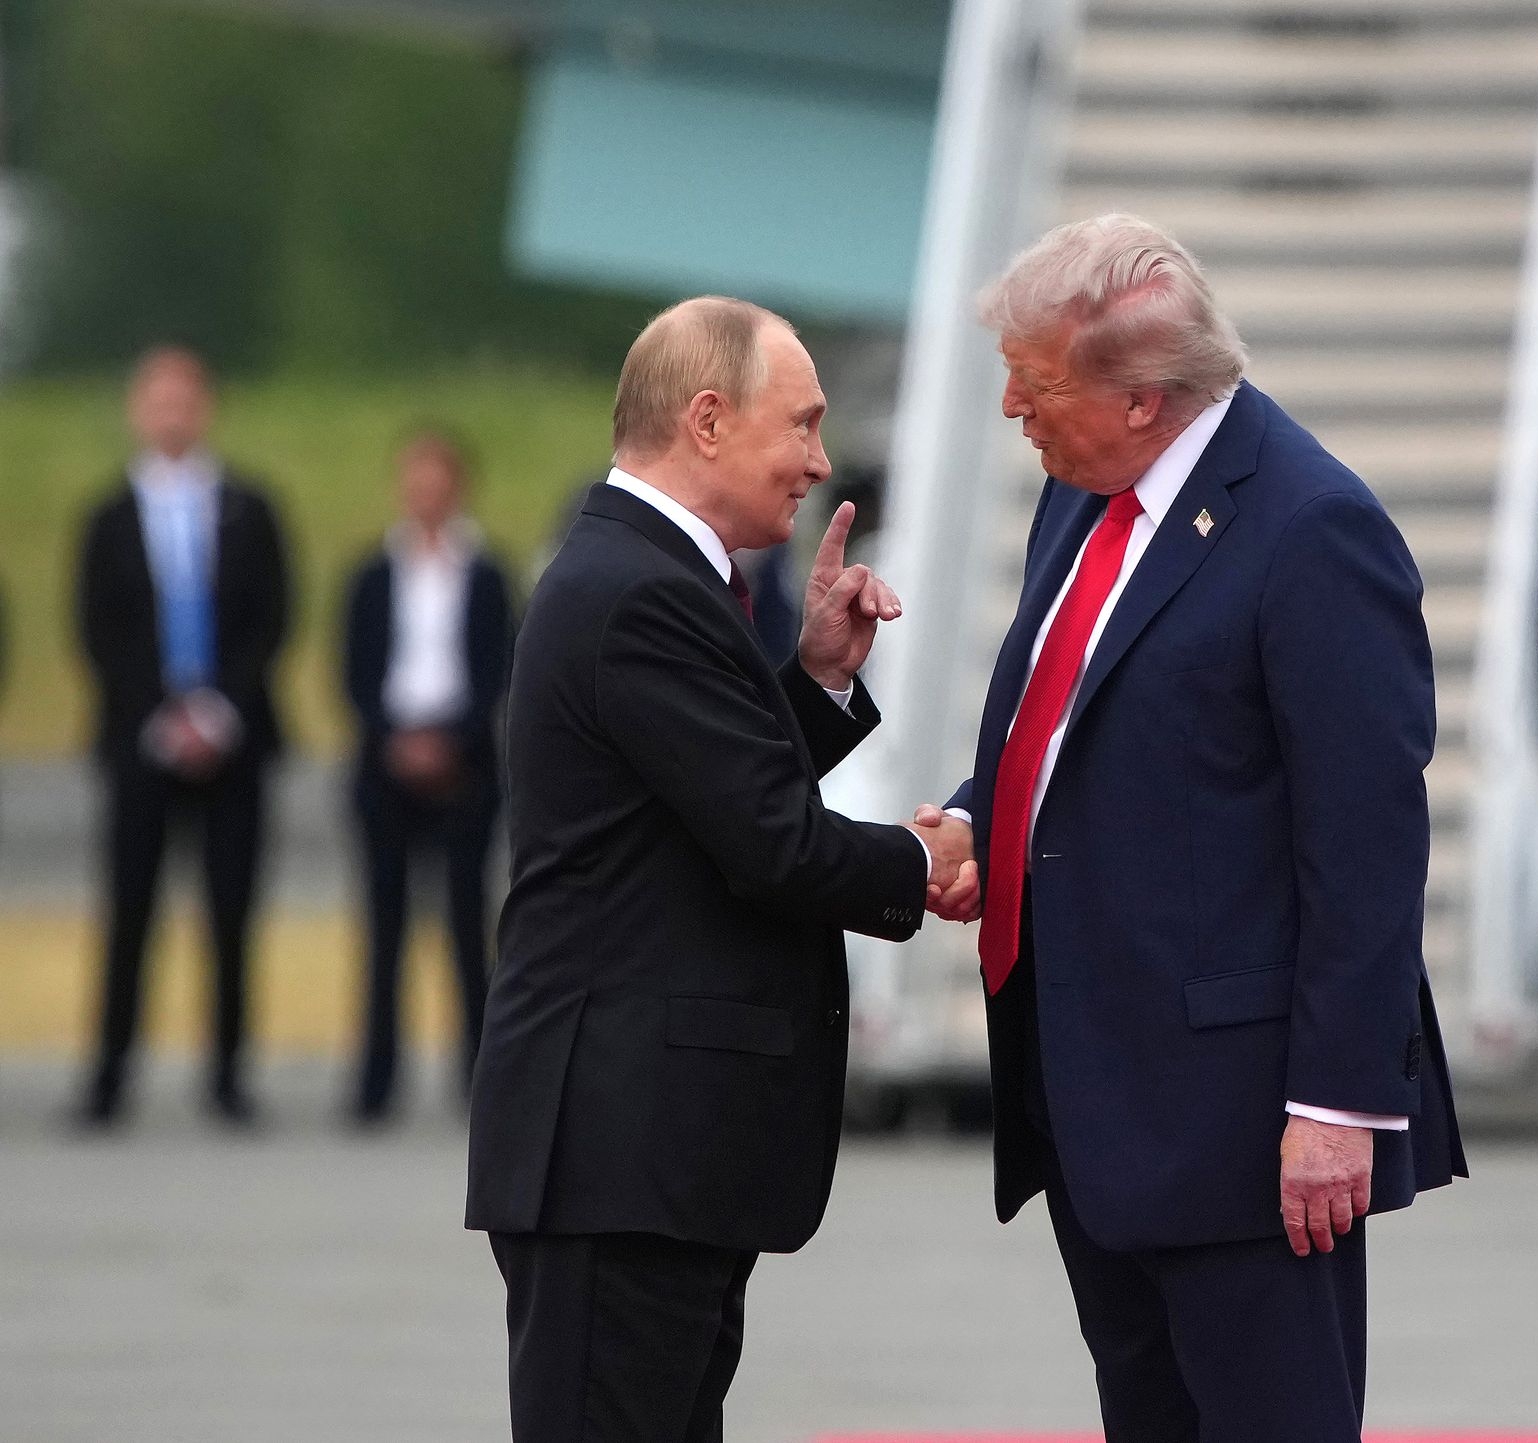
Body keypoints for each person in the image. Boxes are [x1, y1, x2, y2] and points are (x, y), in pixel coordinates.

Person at [916, 215, 1466, 1443]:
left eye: (1039, 381)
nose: (1012, 405)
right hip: (1098, 1091)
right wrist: (973, 817)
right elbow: (1083, 720)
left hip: (1244, 1123)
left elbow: (1368, 840)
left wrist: (1337, 1105)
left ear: (1144, 399)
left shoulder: (1312, 529)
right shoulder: (1085, 494)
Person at [465, 296, 974, 1443]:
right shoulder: (639, 591)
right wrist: (926, 859)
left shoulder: (645, 575)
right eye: (800, 424)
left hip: (645, 1157)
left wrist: (818, 685)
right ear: (706, 420)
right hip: (621, 1157)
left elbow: (702, 804)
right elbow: (771, 844)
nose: (820, 460)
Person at [74, 345, 292, 1128]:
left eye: (184, 398)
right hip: (141, 738)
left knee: (231, 910)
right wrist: (161, 715)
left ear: (206, 406)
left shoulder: (247, 505)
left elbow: (272, 616)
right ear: (138, 409)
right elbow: (98, 629)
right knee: (130, 908)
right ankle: (109, 1075)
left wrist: (219, 710)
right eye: (157, 399)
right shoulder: (108, 514)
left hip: (233, 737)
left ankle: (229, 1076)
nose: (172, 413)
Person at [341, 429, 514, 1125]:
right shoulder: (373, 573)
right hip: (387, 761)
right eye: (415, 477)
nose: (427, 491)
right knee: (383, 928)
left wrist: (451, 741)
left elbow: (499, 667)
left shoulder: (487, 571)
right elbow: (353, 670)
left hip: (464, 763)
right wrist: (396, 739)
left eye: (438, 476)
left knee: (470, 923)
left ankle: (479, 1076)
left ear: (459, 484)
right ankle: (376, 1081)